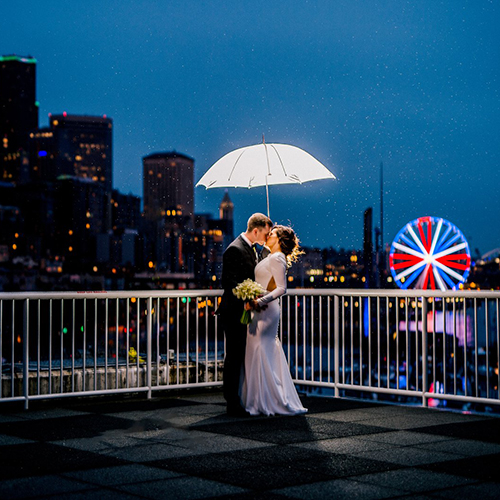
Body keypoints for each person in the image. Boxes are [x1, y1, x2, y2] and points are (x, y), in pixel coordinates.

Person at [241, 225, 307, 416]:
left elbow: (281, 288)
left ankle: (266, 399)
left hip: (266, 309)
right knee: (258, 349)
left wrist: (259, 300)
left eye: (272, 233)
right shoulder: (270, 256)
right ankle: (260, 398)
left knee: (262, 348)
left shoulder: (277, 258)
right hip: (259, 307)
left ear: (278, 239)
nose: (268, 235)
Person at [218, 213, 273, 416]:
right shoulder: (234, 249)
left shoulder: (251, 249)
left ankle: (242, 397)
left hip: (244, 311)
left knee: (241, 355)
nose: (266, 238)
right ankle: (231, 401)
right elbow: (229, 284)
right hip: (234, 313)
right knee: (234, 356)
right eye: (265, 234)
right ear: (256, 230)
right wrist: (247, 299)